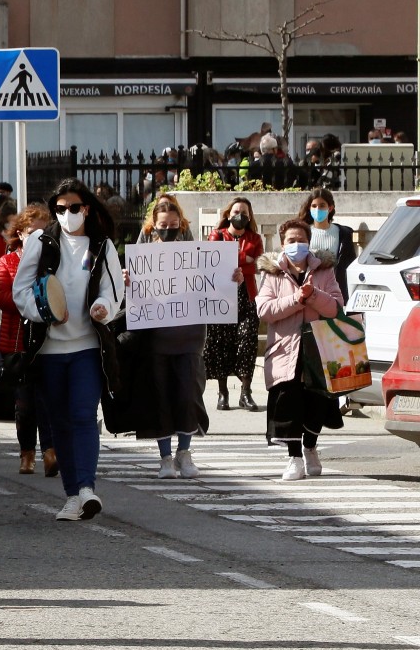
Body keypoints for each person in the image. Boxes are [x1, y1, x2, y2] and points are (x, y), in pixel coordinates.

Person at [14, 178, 124, 522]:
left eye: (73, 208)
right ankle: (72, 495)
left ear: (86, 209)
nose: (66, 214)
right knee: (59, 421)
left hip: (87, 347)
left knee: (82, 415)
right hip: (47, 350)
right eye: (60, 209)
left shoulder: (102, 246)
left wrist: (103, 306)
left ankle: (87, 488)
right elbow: (21, 291)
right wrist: (44, 311)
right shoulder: (40, 241)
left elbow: (114, 290)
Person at [256, 219, 344, 480]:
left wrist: (314, 295)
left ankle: (310, 447)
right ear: (283, 245)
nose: (297, 245)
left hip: (318, 350)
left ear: (309, 242)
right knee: (288, 404)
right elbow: (265, 310)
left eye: (301, 240)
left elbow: (337, 308)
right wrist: (297, 299)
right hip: (285, 349)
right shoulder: (272, 273)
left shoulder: (324, 271)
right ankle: (294, 457)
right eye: (291, 241)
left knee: (317, 403)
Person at [131, 197, 209, 479]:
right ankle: (165, 457)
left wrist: (232, 277)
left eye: (173, 225)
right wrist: (130, 281)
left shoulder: (197, 254)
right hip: (156, 338)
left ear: (181, 225)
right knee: (160, 396)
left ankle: (184, 454)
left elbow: (215, 286)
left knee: (188, 394)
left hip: (189, 336)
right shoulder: (142, 256)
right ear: (153, 226)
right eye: (163, 225)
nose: (168, 229)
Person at [0, 223, 55, 476]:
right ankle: (27, 453)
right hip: (18, 342)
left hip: (46, 341)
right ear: (20, 234)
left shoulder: (51, 261)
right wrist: (31, 301)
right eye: (31, 232)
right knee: (25, 402)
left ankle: (51, 452)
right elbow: (2, 295)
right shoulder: (8, 261)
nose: (37, 237)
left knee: (47, 400)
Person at [203, 197, 265, 412]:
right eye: (237, 211)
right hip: (222, 296)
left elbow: (258, 264)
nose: (240, 216)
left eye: (245, 213)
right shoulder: (217, 235)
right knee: (220, 341)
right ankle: (223, 392)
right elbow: (214, 259)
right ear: (229, 214)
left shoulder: (255, 238)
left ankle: (245, 392)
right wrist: (243, 258)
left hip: (246, 296)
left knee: (247, 340)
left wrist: (242, 265)